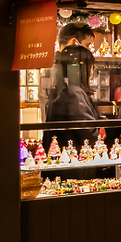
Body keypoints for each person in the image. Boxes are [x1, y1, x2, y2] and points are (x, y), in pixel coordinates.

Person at [44, 24, 99, 157]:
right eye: (88, 44)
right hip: (73, 162)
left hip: (65, 159)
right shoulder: (73, 93)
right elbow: (88, 133)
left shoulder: (65, 88)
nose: (92, 71)